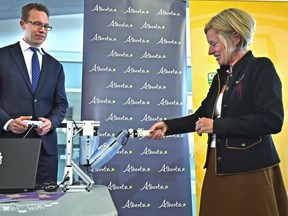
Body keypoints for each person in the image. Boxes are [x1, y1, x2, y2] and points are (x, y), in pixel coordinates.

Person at [147, 8, 288, 216]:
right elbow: (200, 117)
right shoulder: (222, 77)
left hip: (249, 171)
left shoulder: (260, 68)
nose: (210, 51)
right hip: (217, 167)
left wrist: (217, 126)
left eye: (214, 44)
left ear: (235, 37)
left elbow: (272, 121)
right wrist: (168, 126)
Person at [0, 3, 68, 185]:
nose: (42, 30)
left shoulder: (55, 66)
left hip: (45, 151)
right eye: (37, 24)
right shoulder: (2, 57)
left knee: (46, 205)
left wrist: (51, 122)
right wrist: (8, 123)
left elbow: (61, 104)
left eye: (46, 26)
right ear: (23, 24)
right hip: (9, 146)